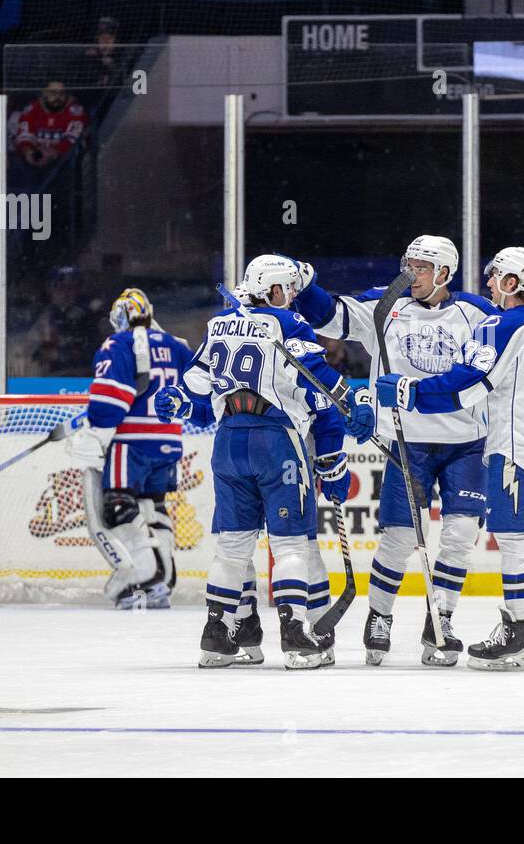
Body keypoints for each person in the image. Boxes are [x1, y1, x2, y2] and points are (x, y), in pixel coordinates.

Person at [376, 247, 524, 669]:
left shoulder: (498, 325)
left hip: (516, 450)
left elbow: (465, 387)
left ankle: (514, 637)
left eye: (496, 277)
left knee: (515, 543)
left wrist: (408, 391)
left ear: (513, 282)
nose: (490, 284)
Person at [154, 256, 375, 669]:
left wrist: (175, 402)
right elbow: (316, 379)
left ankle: (216, 635)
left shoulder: (218, 325)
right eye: (287, 290)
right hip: (275, 440)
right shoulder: (288, 324)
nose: (292, 297)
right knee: (291, 543)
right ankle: (294, 635)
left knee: (232, 546)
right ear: (273, 290)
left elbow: (191, 387)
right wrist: (355, 399)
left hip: (227, 443)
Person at [292, 236, 497, 666]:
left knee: (459, 537)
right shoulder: (387, 305)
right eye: (408, 264)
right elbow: (330, 316)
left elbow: (497, 363)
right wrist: (306, 284)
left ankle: (440, 619)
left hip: (467, 442)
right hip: (406, 442)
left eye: (421, 267)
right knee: (401, 537)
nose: (411, 274)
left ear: (444, 272)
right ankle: (379, 616)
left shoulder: (478, 313)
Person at [65, 288, 197, 610]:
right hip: (169, 441)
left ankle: (142, 573)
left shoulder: (120, 344)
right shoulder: (176, 345)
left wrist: (95, 431)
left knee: (118, 505)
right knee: (153, 505)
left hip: (131, 443)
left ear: (122, 315)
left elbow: (112, 398)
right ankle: (162, 581)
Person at [15, 79, 89, 169]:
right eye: (53, 92)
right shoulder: (33, 108)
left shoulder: (75, 111)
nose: (58, 96)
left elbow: (73, 139)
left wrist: (54, 152)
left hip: (65, 165)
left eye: (62, 93)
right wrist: (28, 152)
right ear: (44, 93)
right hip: (34, 163)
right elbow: (24, 135)